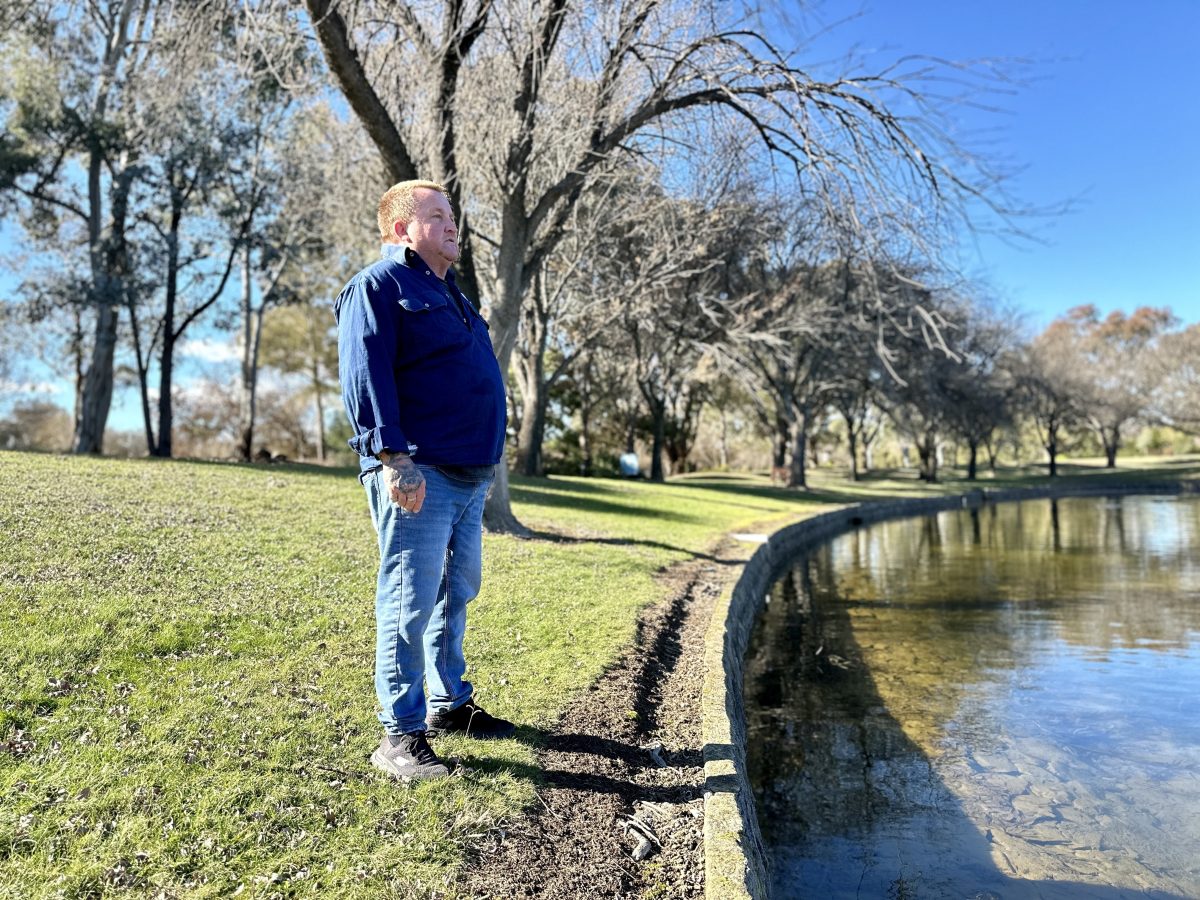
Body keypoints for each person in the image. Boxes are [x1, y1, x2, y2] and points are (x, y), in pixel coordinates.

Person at [335, 180, 515, 781]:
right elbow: (367, 372)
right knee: (409, 600)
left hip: (468, 475)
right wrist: (393, 458)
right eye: (436, 216)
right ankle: (399, 735)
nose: (451, 224)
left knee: (455, 592)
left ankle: (449, 705)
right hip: (419, 469)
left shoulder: (456, 298)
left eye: (452, 215)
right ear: (400, 229)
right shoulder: (379, 287)